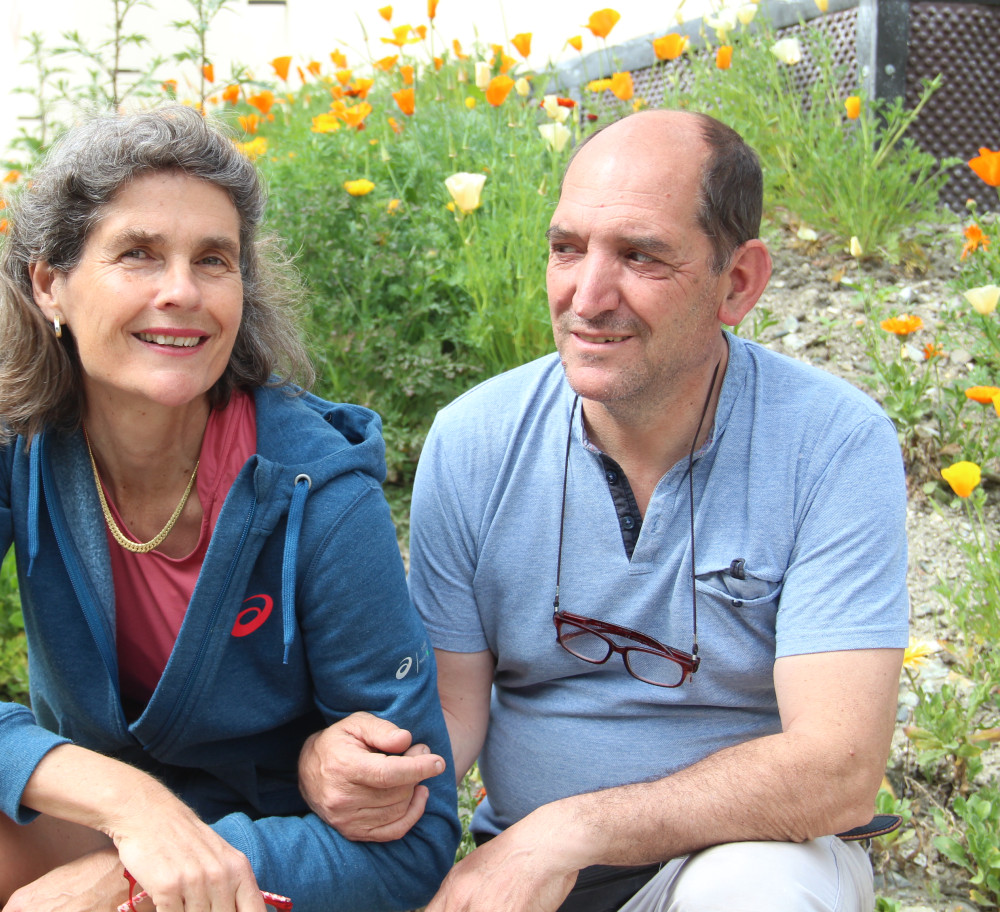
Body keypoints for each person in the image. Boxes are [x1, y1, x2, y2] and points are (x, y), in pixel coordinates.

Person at [0, 106, 458, 912]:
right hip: (110, 812)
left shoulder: (317, 489)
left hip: (274, 854)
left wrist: (128, 882)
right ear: (48, 284)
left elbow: (418, 837)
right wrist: (128, 809)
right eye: (138, 254)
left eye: (213, 260)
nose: (181, 292)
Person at [296, 109, 908, 912]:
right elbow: (449, 709)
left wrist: (570, 832)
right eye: (567, 249)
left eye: (640, 256)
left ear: (740, 282)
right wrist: (342, 761)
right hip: (525, 872)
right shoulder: (475, 440)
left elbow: (838, 771)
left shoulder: (832, 444)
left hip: (744, 860)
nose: (587, 296)